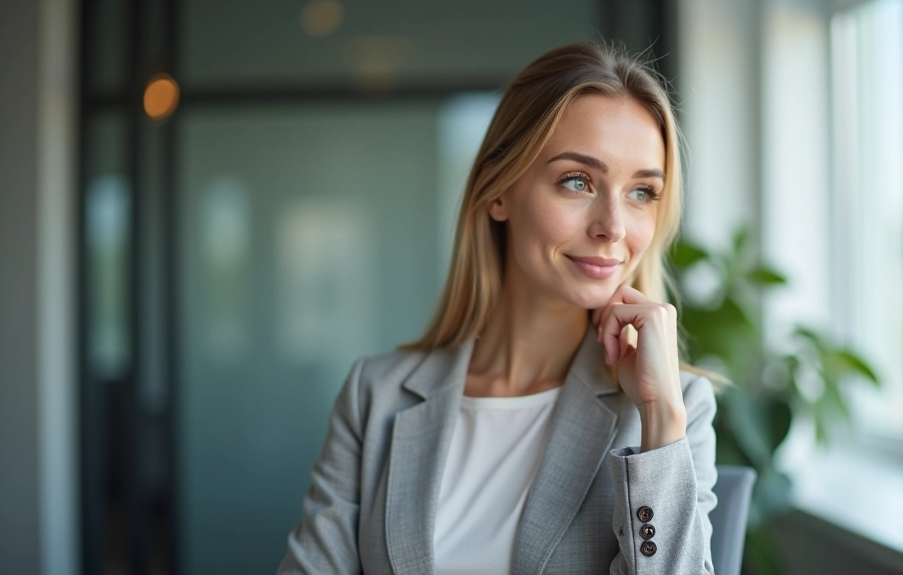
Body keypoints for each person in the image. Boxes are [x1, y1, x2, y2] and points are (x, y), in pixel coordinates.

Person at [277, 41, 719, 575]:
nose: (614, 227)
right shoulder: (376, 396)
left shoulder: (672, 410)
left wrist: (661, 418)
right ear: (500, 190)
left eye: (642, 192)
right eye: (578, 182)